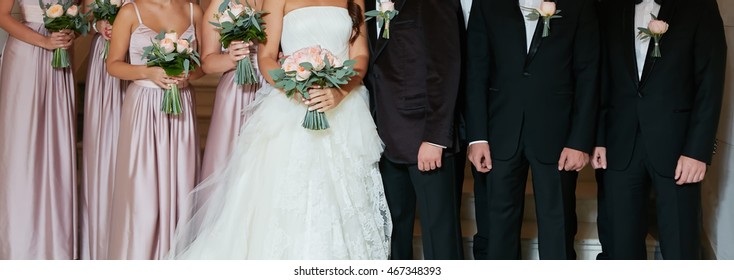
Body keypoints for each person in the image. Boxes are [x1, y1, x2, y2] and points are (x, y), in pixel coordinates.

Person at [168, 0, 391, 259]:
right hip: (292, 105)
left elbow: (360, 55)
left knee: (347, 199)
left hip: (345, 109)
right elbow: (266, 57)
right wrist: (294, 89)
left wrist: (339, 91)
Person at [592, 0, 726, 260]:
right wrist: (598, 137)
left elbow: (711, 79)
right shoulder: (609, 6)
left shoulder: (700, 6)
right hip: (618, 143)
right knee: (620, 249)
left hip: (679, 150)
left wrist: (698, 150)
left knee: (681, 249)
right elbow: (600, 74)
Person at [465, 0, 600, 259]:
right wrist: (477, 137)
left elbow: (588, 75)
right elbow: (476, 71)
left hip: (558, 135)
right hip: (500, 130)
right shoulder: (487, 4)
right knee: (498, 228)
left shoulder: (579, 5)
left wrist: (580, 140)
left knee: (558, 224)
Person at [365, 0, 465, 260]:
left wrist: (435, 137)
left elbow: (446, 67)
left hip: (425, 137)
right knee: (394, 237)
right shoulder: (361, 4)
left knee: (440, 238)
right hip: (381, 139)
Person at [105, 0, 204, 259]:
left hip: (181, 106)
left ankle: (177, 256)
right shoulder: (130, 11)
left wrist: (187, 74)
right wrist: (148, 72)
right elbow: (113, 65)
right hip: (143, 108)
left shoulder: (193, 10)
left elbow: (201, 66)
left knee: (182, 184)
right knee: (142, 191)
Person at [0, 0, 78, 259]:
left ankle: (55, 241)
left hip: (61, 56)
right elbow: (2, 16)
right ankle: (20, 242)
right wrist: (44, 42)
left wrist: (70, 32)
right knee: (22, 145)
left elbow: (83, 14)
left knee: (56, 148)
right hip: (25, 56)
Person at [79, 0, 129, 260]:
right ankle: (100, 236)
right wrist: (99, 23)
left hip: (138, 52)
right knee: (102, 143)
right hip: (105, 60)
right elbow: (86, 10)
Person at [199, 0, 264, 180]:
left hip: (273, 88)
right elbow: (206, 62)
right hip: (237, 90)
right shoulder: (221, 3)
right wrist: (231, 58)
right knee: (228, 161)